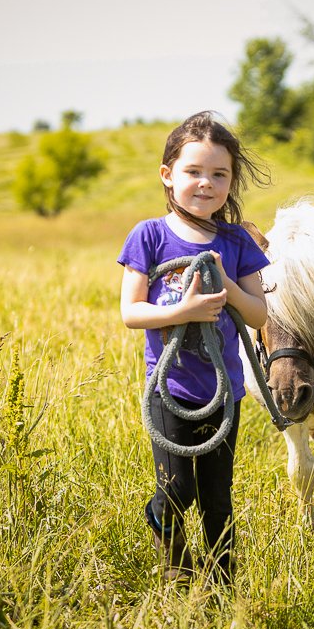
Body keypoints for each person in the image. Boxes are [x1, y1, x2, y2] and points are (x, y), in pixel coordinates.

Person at [118, 111, 270, 586]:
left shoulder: (237, 241)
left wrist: (224, 282)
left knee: (217, 499)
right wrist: (182, 312)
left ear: (231, 180)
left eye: (219, 174)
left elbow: (259, 315)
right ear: (168, 175)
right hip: (170, 388)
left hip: (223, 392)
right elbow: (131, 312)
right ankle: (175, 563)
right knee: (176, 489)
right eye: (193, 172)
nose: (206, 183)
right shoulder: (149, 235)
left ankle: (223, 588)